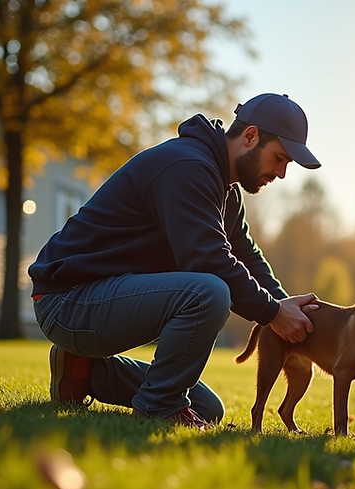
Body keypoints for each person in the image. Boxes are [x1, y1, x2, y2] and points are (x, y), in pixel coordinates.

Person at [28, 93, 321, 430]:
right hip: (67, 299)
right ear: (250, 137)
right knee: (209, 291)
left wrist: (287, 307)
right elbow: (209, 260)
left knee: (208, 407)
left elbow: (248, 256)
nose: (281, 173)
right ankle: (156, 407)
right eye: (279, 158)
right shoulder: (188, 167)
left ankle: (83, 371)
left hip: (101, 298)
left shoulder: (225, 190)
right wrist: (272, 313)